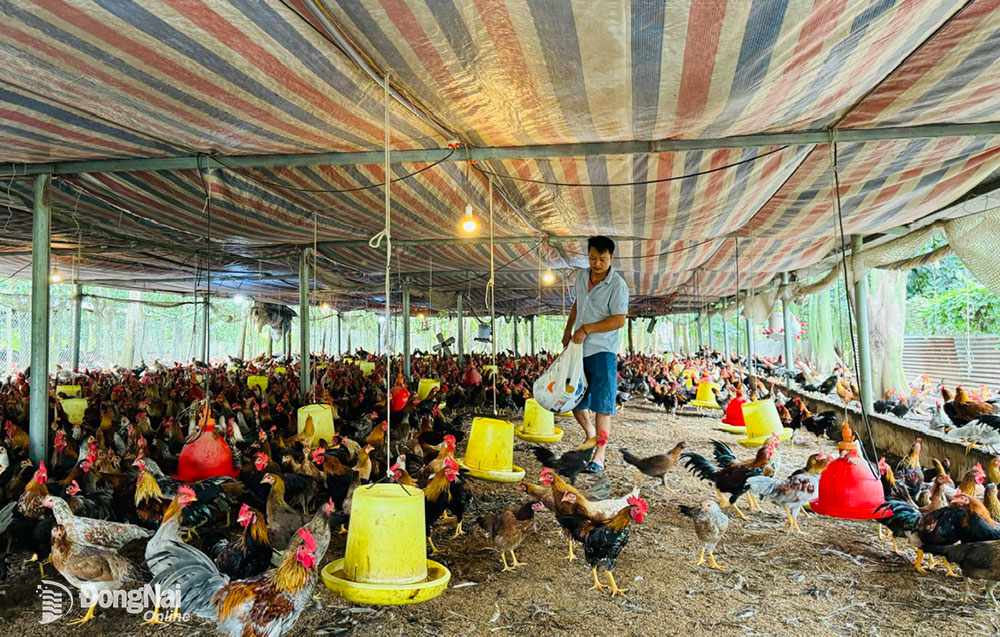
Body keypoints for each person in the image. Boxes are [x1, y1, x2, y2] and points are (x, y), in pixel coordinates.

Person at [561, 236, 629, 473]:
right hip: (578, 348)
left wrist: (587, 328)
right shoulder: (581, 275)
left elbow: (619, 320)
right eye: (592, 258)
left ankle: (599, 456)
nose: (596, 263)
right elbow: (579, 303)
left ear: (611, 257)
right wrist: (568, 330)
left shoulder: (618, 286)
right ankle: (590, 433)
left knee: (602, 406)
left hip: (602, 350)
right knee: (575, 400)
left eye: (601, 259)